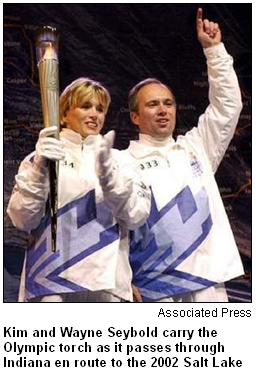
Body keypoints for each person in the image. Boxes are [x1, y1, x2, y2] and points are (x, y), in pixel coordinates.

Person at [115, 8, 244, 302]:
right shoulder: (120, 162)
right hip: (153, 287)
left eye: (169, 103)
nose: (163, 110)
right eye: (153, 105)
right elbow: (113, 229)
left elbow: (227, 107)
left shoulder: (196, 147)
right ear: (135, 116)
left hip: (207, 284)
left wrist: (214, 50)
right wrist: (120, 280)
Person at [7, 77, 150, 302]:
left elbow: (136, 217)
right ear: (64, 114)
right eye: (85, 106)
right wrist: (39, 170)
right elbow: (23, 220)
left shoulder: (121, 162)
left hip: (107, 287)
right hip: (49, 287)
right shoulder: (38, 159)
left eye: (100, 109)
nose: (95, 114)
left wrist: (112, 182)